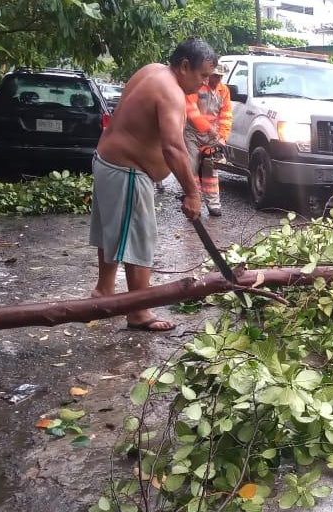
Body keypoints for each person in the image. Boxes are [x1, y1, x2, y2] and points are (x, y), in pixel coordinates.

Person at [89, 38, 217, 331]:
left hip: (109, 162)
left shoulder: (152, 71)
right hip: (127, 170)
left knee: (113, 232)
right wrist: (192, 193)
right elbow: (172, 147)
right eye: (202, 75)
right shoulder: (170, 91)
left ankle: (104, 291)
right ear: (184, 66)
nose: (205, 83)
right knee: (138, 237)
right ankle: (138, 311)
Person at [185, 62, 233, 216]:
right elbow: (192, 112)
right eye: (215, 76)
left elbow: (226, 116)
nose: (217, 79)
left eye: (220, 76)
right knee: (192, 166)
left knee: (211, 168)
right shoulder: (197, 87)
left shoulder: (223, 90)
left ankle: (213, 204)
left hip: (211, 135)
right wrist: (209, 129)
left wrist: (223, 137)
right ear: (209, 74)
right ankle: (194, 202)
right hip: (192, 133)